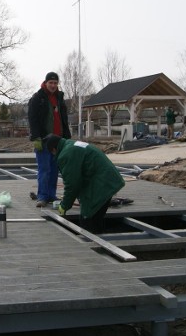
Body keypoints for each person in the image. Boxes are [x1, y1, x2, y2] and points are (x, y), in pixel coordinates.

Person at [43, 134, 125, 233]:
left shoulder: (66, 154)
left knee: (88, 219)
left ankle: (95, 245)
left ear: (53, 149)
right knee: (93, 218)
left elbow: (72, 185)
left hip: (102, 183)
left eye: (51, 153)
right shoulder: (69, 144)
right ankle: (99, 238)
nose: (53, 155)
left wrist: (64, 205)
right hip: (105, 179)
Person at [28, 72, 71, 207]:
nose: (53, 85)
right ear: (45, 83)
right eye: (50, 83)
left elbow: (64, 119)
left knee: (54, 170)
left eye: (55, 83)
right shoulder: (38, 98)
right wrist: (36, 137)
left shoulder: (59, 97)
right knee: (44, 169)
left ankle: (51, 195)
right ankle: (42, 196)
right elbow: (32, 119)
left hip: (59, 141)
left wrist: (67, 138)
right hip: (44, 140)